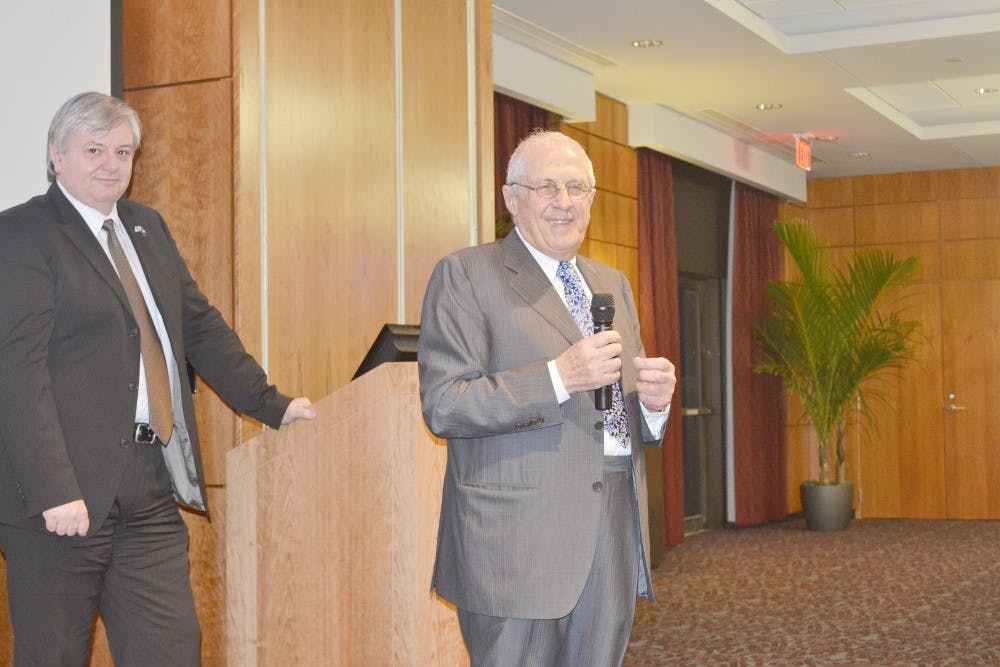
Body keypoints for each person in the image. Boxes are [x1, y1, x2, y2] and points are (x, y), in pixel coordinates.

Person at [0, 91, 316, 666]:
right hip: (62, 497)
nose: (110, 163)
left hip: (147, 486)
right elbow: (16, 375)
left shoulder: (145, 227)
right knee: (54, 656)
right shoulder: (21, 233)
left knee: (170, 650)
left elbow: (196, 325)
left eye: (122, 151)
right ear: (55, 155)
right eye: (93, 149)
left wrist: (271, 403)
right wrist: (54, 489)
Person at [418, 130, 677, 666]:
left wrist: (653, 403)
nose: (564, 202)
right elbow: (446, 403)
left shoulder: (611, 283)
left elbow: (617, 404)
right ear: (512, 199)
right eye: (547, 187)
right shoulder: (467, 275)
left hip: (611, 522)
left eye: (577, 188)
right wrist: (558, 377)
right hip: (519, 539)